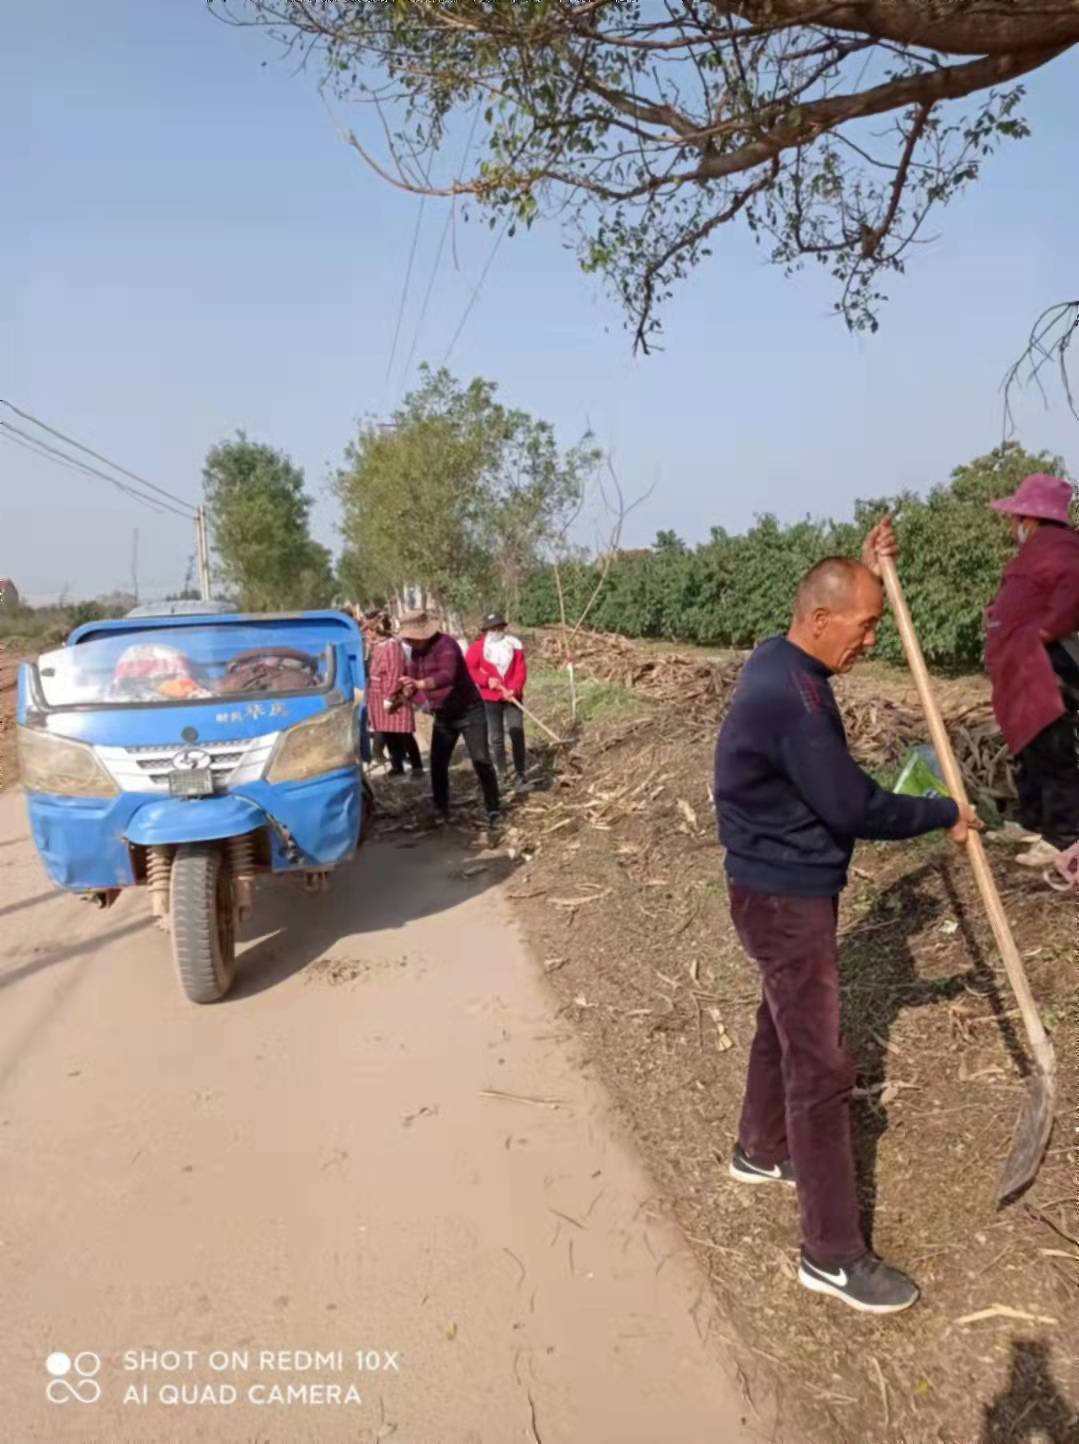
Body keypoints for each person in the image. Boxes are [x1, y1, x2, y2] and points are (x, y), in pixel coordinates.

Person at [713, 519, 980, 1316]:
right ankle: (830, 1256)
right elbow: (851, 804)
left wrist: (867, 574)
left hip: (774, 887)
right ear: (821, 620)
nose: (870, 639)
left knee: (782, 1019)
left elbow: (826, 605)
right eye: (864, 625)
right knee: (821, 1067)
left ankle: (760, 1151)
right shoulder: (793, 698)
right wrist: (943, 812)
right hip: (784, 896)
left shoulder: (778, 657)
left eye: (873, 621)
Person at [984, 473, 1079, 890]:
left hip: (1047, 665)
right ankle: (1036, 822)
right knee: (1031, 744)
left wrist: (1042, 631)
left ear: (1028, 517)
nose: (1013, 526)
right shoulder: (1040, 550)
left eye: (1016, 518)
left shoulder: (1060, 547)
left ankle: (1064, 835)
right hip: (1023, 666)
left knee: (1049, 746)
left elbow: (1073, 592)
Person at [393, 609, 501, 829]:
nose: (410, 642)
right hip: (444, 714)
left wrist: (420, 685)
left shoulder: (447, 645)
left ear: (423, 634)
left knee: (481, 760)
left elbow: (447, 676)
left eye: (412, 638)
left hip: (470, 711)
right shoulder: (415, 653)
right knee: (438, 762)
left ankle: (494, 809)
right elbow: (414, 680)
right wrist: (407, 696)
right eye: (408, 639)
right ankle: (441, 808)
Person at [466, 613, 530, 789]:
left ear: (504, 628)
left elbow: (520, 671)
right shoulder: (478, 648)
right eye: (492, 629)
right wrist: (486, 681)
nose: (496, 631)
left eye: (499, 628)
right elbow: (470, 669)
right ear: (486, 631)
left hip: (512, 697)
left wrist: (514, 689)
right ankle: (501, 772)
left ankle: (520, 772)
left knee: (517, 732)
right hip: (490, 699)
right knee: (496, 737)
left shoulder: (515, 645)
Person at [363, 612, 423, 779]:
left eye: (369, 629)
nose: (367, 632)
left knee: (403, 733)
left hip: (393, 695)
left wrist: (389, 696)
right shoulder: (377, 646)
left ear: (376, 629)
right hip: (377, 694)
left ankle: (417, 766)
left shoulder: (392, 646)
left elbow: (394, 671)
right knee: (387, 733)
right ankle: (397, 766)